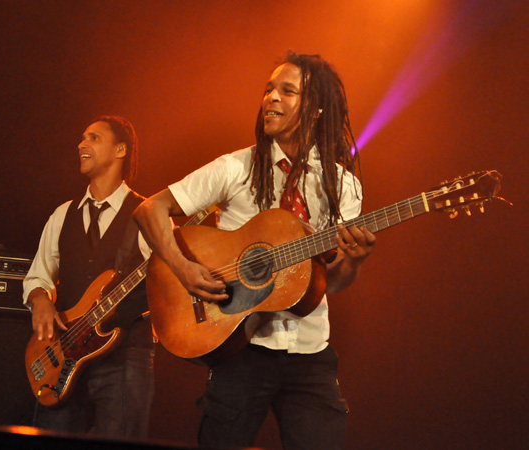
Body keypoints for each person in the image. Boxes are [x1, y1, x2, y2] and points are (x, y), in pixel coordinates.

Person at [133, 51, 376, 450]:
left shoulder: (343, 186)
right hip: (242, 349)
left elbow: (331, 282)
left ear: (315, 109)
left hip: (310, 350)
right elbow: (150, 210)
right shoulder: (236, 167)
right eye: (268, 90)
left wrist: (355, 260)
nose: (271, 99)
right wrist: (184, 269)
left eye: (287, 91)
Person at [23, 115, 154, 440]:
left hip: (125, 355)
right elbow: (37, 275)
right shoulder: (63, 214)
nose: (82, 144)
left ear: (121, 149)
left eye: (94, 138)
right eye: (82, 138)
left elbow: (172, 275)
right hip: (62, 354)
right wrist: (40, 299)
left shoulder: (147, 213)